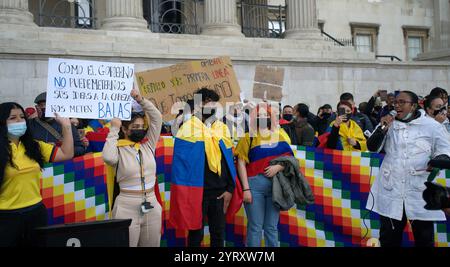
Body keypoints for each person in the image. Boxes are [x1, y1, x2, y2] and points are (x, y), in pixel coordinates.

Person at [366, 91, 450, 247]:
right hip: (391, 191)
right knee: (389, 239)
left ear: (413, 105)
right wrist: (382, 128)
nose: (396, 105)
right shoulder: (387, 124)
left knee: (424, 239)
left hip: (419, 193)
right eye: (395, 102)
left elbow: (446, 151)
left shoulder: (432, 126)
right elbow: (372, 147)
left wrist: (438, 161)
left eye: (401, 102)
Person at [169, 88, 240, 247]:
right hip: (197, 192)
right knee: (196, 234)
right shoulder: (187, 128)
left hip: (220, 193)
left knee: (218, 235)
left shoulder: (222, 128)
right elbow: (181, 166)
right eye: (206, 103)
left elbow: (228, 160)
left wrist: (229, 189)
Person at [0, 102, 74, 246]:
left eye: (22, 117)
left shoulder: (34, 146)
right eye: (13, 118)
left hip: (36, 212)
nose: (19, 121)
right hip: (6, 217)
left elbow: (66, 153)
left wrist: (66, 126)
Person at [102, 89, 163, 247]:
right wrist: (113, 129)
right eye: (135, 126)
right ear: (125, 129)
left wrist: (140, 99)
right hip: (126, 205)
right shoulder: (118, 149)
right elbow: (108, 157)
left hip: (151, 204)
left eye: (142, 126)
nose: (140, 130)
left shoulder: (148, 145)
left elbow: (157, 118)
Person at [235, 103, 295, 247]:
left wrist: (278, 167)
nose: (263, 117)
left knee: (271, 227)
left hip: (276, 187)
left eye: (266, 114)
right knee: (255, 227)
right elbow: (241, 163)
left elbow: (291, 160)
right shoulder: (248, 137)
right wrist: (246, 189)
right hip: (254, 186)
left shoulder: (280, 135)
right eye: (259, 115)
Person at [29, 92, 86, 157]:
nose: (44, 108)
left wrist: (59, 149)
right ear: (37, 107)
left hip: (61, 165)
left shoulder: (65, 123)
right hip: (38, 164)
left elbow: (80, 149)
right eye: (41, 105)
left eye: (47, 105)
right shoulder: (30, 124)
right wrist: (43, 149)